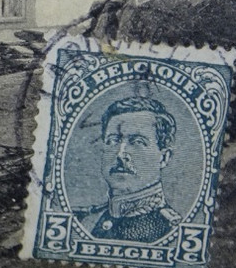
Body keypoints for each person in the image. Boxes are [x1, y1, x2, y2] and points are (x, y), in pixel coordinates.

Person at [74, 95, 182, 243]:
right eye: (113, 141)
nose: (120, 154)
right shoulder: (84, 221)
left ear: (163, 158)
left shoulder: (172, 229)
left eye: (137, 142)